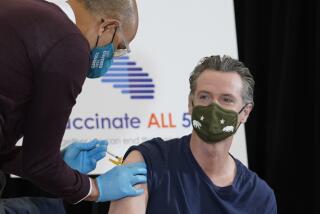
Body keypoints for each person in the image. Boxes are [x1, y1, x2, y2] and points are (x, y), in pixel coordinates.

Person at [0, 0, 147, 208]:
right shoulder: (70, 44)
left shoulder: (27, 11)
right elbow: (40, 166)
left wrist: (58, 163)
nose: (112, 57)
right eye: (118, 47)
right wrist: (96, 188)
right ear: (108, 27)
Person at [108, 55, 277, 214]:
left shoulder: (259, 196)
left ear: (245, 112)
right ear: (190, 103)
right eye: (204, 97)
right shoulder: (147, 162)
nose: (213, 108)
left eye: (226, 99)